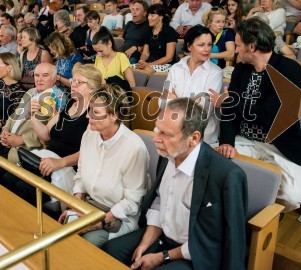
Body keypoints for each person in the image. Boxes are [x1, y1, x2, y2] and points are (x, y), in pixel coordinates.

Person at [103, 98, 248, 270]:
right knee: (110, 251)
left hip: (196, 253)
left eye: (166, 134)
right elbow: (159, 200)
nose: (156, 139)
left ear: (194, 138)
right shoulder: (168, 154)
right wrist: (144, 244)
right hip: (163, 236)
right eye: (158, 130)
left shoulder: (227, 176)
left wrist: (161, 257)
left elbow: (219, 240)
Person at [212, 17, 301, 212]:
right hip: (244, 140)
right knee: (208, 165)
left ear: (252, 47)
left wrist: (229, 100)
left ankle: (263, 210)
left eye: (238, 45)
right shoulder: (241, 69)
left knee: (291, 197)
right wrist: (227, 142)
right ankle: (240, 210)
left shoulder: (290, 70)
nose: (236, 50)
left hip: (278, 145)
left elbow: (269, 117)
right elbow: (230, 112)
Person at [59, 84, 149, 247]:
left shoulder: (134, 148)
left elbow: (132, 202)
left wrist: (98, 222)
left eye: (96, 112)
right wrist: (76, 207)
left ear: (114, 116)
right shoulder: (89, 134)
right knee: (63, 227)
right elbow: (80, 175)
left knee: (85, 242)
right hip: (89, 206)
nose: (88, 116)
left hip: (116, 215)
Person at [5, 64, 103, 205]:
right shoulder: (70, 104)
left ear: (92, 88)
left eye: (79, 82)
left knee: (22, 187)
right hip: (47, 161)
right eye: (73, 80)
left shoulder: (94, 114)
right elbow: (45, 135)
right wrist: (33, 115)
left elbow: (89, 152)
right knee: (9, 177)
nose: (73, 85)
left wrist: (60, 162)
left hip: (67, 168)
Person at [0, 63, 65, 183]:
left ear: (54, 78)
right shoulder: (31, 91)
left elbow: (49, 133)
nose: (39, 79)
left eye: (45, 76)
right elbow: (14, 115)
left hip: (25, 149)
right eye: (37, 75)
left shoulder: (55, 97)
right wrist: (5, 130)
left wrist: (21, 139)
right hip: (7, 142)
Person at [166, 26, 222, 144]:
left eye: (209, 44)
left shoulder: (216, 72)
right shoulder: (176, 68)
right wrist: (192, 102)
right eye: (201, 45)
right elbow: (163, 101)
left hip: (201, 133)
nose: (207, 49)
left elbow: (203, 111)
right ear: (189, 46)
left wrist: (176, 99)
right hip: (173, 126)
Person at [136, 4, 178, 73]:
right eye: (149, 15)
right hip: (149, 63)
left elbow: (169, 58)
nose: (149, 18)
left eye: (152, 15)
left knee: (147, 70)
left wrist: (149, 64)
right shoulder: (149, 31)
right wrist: (141, 62)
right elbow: (145, 53)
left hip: (166, 65)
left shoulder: (170, 31)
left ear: (161, 17)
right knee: (130, 68)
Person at [122, 0, 150, 64]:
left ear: (144, 13)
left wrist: (136, 48)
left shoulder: (149, 26)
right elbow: (125, 41)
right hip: (123, 54)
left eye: (137, 9)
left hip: (135, 57)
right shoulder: (129, 24)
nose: (133, 12)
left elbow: (151, 47)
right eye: (133, 9)